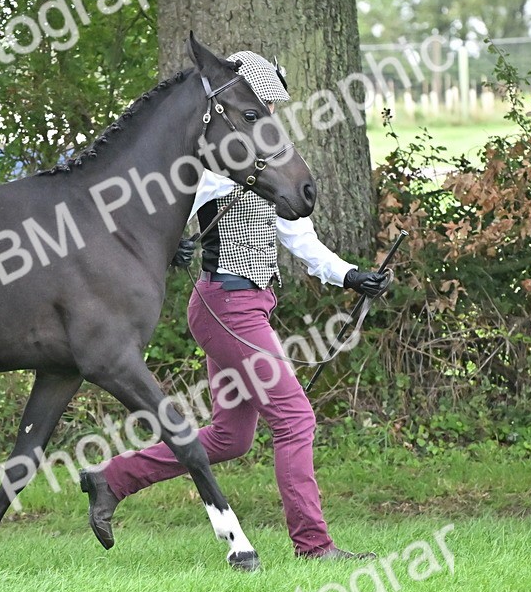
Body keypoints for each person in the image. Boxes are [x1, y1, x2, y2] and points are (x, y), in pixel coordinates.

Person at [79, 51, 389, 561]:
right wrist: (178, 240)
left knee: (230, 437)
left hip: (242, 305)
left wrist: (350, 275)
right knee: (294, 419)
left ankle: (112, 479)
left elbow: (298, 235)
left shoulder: (261, 159)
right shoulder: (217, 164)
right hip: (229, 304)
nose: (266, 107)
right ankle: (314, 547)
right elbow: (170, 209)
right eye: (261, 99)